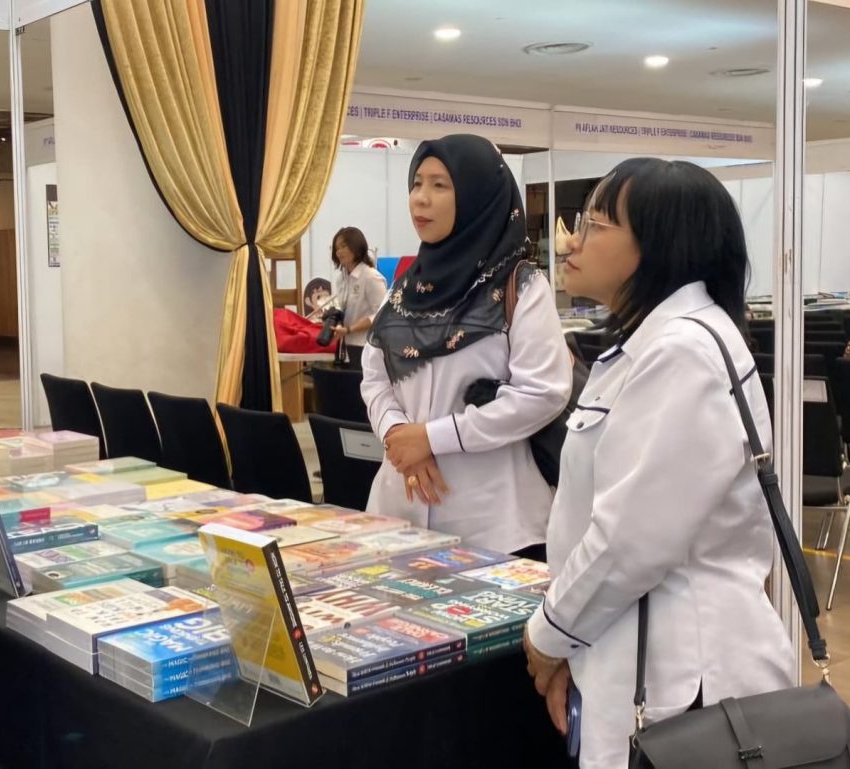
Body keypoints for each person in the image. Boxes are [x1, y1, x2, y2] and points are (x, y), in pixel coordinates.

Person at [522, 158, 794, 768]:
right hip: (631, 646)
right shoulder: (653, 342)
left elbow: (630, 540)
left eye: (595, 225)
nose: (571, 242)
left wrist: (549, 636)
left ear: (659, 245)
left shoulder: (681, 351)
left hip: (679, 674)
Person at [361, 134, 572, 559]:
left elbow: (543, 393)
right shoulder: (405, 288)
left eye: (440, 185)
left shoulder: (522, 287)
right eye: (417, 183)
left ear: (478, 196)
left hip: (494, 523)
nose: (421, 198)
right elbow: (374, 377)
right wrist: (397, 434)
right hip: (397, 514)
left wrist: (432, 438)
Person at [328, 226, 387, 369]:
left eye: (343, 246)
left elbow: (382, 315)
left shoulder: (371, 277)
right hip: (345, 347)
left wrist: (350, 329)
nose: (339, 252)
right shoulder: (341, 279)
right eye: (336, 248)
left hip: (367, 346)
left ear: (356, 247)